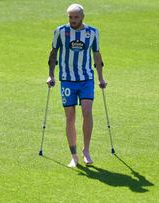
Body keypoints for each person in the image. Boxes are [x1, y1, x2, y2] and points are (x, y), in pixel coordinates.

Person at [47, 4, 107, 167]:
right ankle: (73, 156)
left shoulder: (92, 32)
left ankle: (86, 150)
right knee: (70, 117)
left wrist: (101, 78)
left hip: (86, 78)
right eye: (70, 17)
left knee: (87, 112)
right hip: (67, 79)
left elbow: (97, 55)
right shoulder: (60, 31)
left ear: (82, 17)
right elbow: (53, 53)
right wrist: (50, 75)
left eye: (75, 17)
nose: (73, 20)